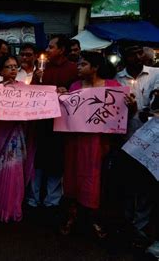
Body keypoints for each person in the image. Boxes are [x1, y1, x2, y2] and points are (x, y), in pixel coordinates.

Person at [60, 51, 136, 239]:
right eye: (78, 64)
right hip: (76, 142)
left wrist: (131, 105)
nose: (78, 67)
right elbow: (67, 114)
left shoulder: (113, 87)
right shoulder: (75, 86)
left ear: (95, 68)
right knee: (74, 176)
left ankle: (95, 218)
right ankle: (72, 215)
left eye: (83, 64)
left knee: (97, 179)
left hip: (99, 143)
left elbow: (125, 113)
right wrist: (60, 98)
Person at [26, 34, 78, 215]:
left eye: (51, 47)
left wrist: (67, 92)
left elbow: (78, 93)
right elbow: (31, 94)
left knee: (56, 163)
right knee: (38, 161)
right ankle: (33, 200)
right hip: (41, 123)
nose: (47, 51)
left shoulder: (73, 69)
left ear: (62, 50)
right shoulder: (41, 68)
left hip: (61, 124)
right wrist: (35, 79)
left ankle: (52, 202)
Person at [115, 44, 159, 247]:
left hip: (151, 141)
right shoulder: (118, 79)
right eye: (133, 54)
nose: (139, 56)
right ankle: (126, 222)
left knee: (146, 186)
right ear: (125, 57)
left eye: (140, 52)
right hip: (127, 138)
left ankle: (140, 226)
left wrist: (148, 110)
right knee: (127, 183)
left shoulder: (156, 73)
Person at [0, 55, 36, 222]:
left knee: (15, 171)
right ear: (0, 71)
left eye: (15, 66)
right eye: (8, 66)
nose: (13, 69)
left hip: (18, 134)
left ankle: (13, 208)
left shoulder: (24, 88)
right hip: (0, 134)